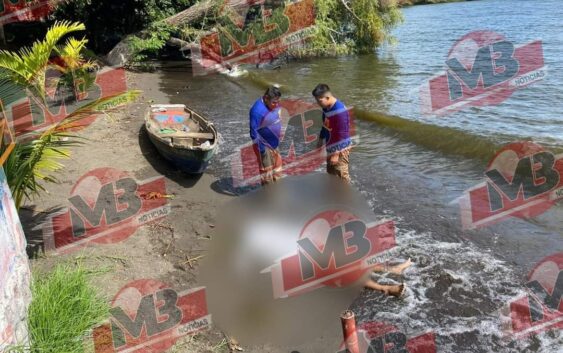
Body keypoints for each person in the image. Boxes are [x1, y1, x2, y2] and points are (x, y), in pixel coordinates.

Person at [312, 84, 352, 183]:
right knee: (331, 173)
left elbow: (343, 134)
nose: (318, 103)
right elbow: (325, 125)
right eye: (316, 100)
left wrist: (336, 154)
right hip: (330, 144)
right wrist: (320, 140)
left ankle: (347, 197)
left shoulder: (339, 111)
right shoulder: (326, 107)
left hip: (340, 148)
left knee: (342, 177)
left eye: (319, 101)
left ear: (328, 97)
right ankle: (334, 195)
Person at [249, 86, 283, 185]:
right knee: (267, 176)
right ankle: (268, 197)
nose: (277, 105)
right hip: (263, 146)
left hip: (274, 143)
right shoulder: (256, 111)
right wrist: (262, 150)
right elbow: (253, 133)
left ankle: (278, 193)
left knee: (278, 171)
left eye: (278, 102)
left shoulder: (274, 103)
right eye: (274, 103)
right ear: (266, 98)